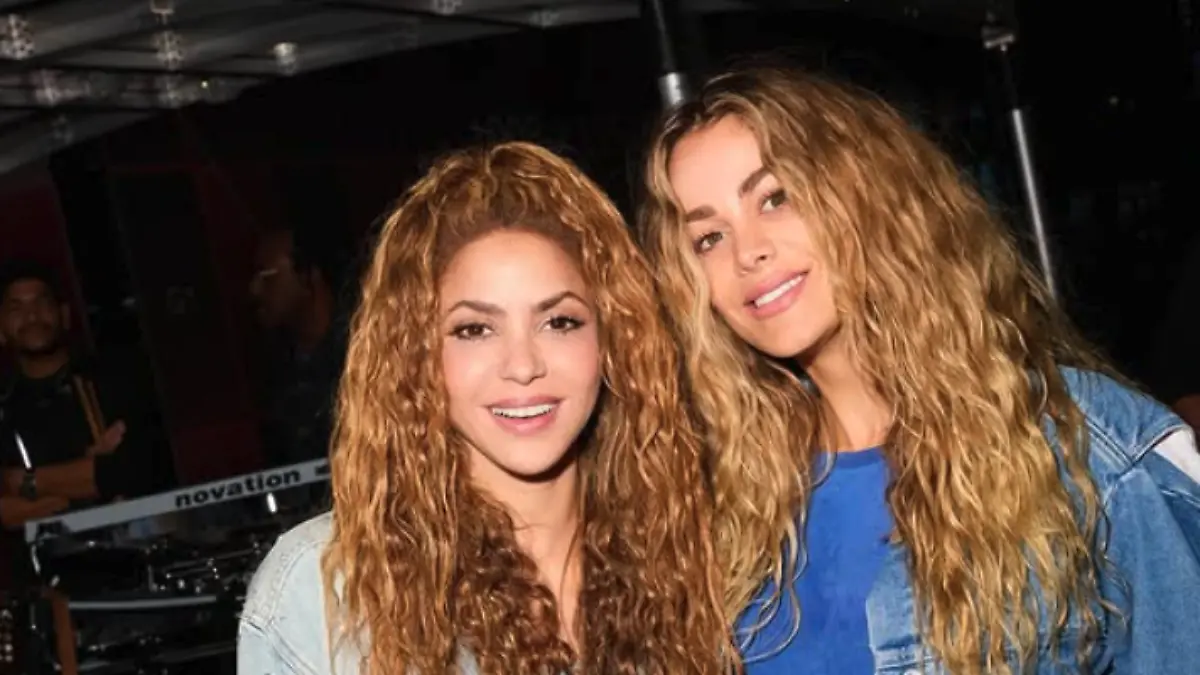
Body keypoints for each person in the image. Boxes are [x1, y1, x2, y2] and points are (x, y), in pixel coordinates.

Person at [639, 66, 1200, 675]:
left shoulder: (1085, 448)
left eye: (776, 198)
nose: (747, 252)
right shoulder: (721, 500)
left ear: (867, 196)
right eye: (708, 237)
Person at [238, 142, 732, 674]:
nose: (522, 365)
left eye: (559, 322)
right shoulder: (328, 594)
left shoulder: (691, 550)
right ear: (417, 355)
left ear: (613, 340)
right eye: (474, 329)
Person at [249, 223, 349, 468]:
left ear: (307, 277)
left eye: (267, 276)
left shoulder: (361, 356)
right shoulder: (275, 368)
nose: (255, 290)